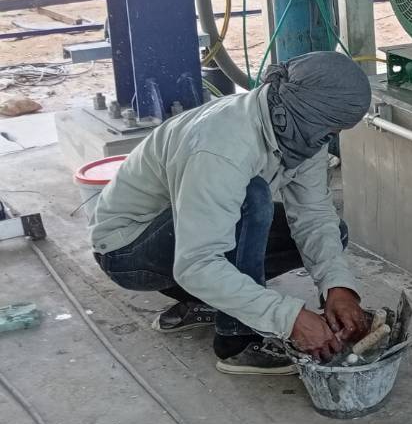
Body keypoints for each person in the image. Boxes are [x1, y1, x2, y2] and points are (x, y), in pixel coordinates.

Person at [91, 51, 374, 375]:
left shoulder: (300, 126)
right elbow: (196, 263)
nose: (332, 138)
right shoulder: (222, 145)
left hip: (186, 230)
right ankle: (237, 342)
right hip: (128, 251)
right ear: (307, 114)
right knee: (252, 198)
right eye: (331, 129)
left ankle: (210, 299)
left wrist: (338, 287)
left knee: (333, 232)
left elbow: (314, 215)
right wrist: (289, 318)